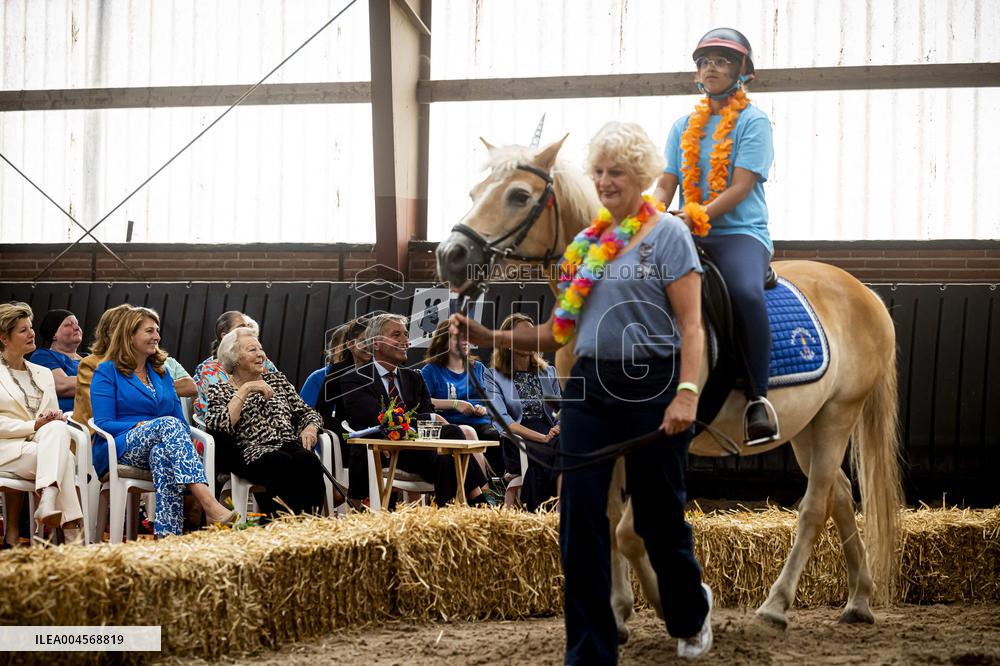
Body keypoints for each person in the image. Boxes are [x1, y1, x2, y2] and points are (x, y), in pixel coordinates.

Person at [453, 122, 713, 662]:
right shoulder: (584, 245)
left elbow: (692, 326)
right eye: (598, 171)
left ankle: (690, 613)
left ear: (640, 176)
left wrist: (687, 393)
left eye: (616, 171)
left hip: (653, 383)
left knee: (659, 517)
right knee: (579, 517)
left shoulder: (668, 235)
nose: (605, 181)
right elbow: (557, 332)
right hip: (590, 388)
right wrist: (489, 336)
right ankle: (590, 651)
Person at [653, 27, 777, 444]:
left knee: (744, 292)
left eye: (723, 60)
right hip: (687, 231)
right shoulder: (682, 125)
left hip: (740, 233)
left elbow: (741, 187)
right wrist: (648, 216)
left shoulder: (754, 121)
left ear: (744, 71)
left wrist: (693, 217)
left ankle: (758, 398)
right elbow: (667, 183)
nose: (712, 68)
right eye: (705, 61)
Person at [91, 307, 238, 537]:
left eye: (157, 331)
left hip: (161, 442)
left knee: (163, 454)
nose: (157, 336)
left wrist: (179, 441)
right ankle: (208, 503)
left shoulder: (161, 373)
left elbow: (178, 419)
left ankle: (169, 538)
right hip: (119, 445)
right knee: (167, 424)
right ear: (129, 335)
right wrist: (138, 426)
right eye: (149, 331)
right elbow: (103, 422)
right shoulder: (107, 372)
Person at [339, 313, 489, 507]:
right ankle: (478, 499)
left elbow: (425, 417)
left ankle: (445, 516)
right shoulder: (355, 379)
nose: (405, 341)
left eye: (406, 334)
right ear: (375, 343)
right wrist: (432, 416)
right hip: (381, 451)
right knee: (452, 433)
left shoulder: (414, 377)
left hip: (420, 450)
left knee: (448, 459)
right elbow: (380, 419)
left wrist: (429, 417)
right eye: (396, 335)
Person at [204, 327, 326, 517]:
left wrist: (310, 427)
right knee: (279, 462)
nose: (261, 354)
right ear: (234, 358)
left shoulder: (277, 380)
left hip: (288, 444)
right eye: (252, 350)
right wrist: (246, 389)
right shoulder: (219, 390)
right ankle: (279, 524)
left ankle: (310, 524)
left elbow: (307, 412)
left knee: (308, 460)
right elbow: (220, 425)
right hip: (249, 451)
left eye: (261, 349)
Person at [0, 302, 84, 546]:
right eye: (23, 330)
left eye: (31, 327)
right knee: (64, 459)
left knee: (58, 426)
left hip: (38, 448)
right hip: (5, 448)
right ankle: (72, 533)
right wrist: (33, 425)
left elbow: (49, 419)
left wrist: (54, 419)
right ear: (5, 338)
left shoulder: (42, 373)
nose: (32, 333)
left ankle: (49, 500)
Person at [483, 313, 561, 510]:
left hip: (551, 432)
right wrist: (542, 438)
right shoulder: (493, 375)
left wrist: (558, 428)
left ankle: (561, 511)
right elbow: (504, 422)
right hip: (518, 437)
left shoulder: (548, 372)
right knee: (557, 449)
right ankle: (546, 510)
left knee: (569, 442)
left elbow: (562, 410)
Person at [420, 320, 502, 473]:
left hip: (481, 422)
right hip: (452, 425)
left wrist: (482, 408)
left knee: (494, 435)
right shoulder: (430, 371)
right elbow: (424, 401)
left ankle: (495, 484)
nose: (465, 341)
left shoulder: (478, 368)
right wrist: (455, 404)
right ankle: (483, 488)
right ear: (443, 341)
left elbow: (492, 399)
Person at [193, 311, 277, 422]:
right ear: (224, 336)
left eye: (247, 326)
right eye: (241, 327)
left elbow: (279, 391)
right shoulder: (210, 370)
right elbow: (219, 415)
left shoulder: (263, 361)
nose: (247, 330)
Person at [74, 304, 134, 435]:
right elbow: (97, 410)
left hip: (140, 432)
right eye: (120, 331)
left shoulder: (141, 365)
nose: (125, 336)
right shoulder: (91, 364)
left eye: (131, 330)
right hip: (101, 436)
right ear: (107, 334)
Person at [314, 317, 372, 431]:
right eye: (363, 341)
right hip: (349, 436)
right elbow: (322, 412)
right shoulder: (337, 372)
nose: (369, 346)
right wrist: (346, 430)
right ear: (350, 344)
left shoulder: (381, 370)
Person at [28, 309, 83, 412]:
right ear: (54, 334)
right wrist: (104, 380)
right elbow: (62, 385)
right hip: (65, 421)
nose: (76, 327)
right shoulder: (42, 356)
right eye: (68, 325)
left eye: (77, 323)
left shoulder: (89, 358)